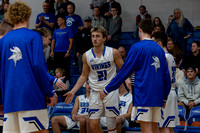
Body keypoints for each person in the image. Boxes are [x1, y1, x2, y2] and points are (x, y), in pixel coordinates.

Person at [100, 19, 171, 133]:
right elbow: (166, 76)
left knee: (146, 126)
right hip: (157, 95)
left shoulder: (137, 47)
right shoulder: (159, 49)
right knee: (154, 126)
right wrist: (164, 97)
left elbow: (124, 72)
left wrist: (108, 89)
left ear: (140, 30)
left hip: (144, 94)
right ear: (152, 31)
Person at [0, 1, 58, 132]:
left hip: (10, 99)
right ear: (27, 16)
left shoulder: (3, 41)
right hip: (31, 97)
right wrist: (49, 92)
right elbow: (38, 65)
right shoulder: (34, 36)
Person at [65, 26, 131, 133]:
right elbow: (83, 75)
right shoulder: (86, 55)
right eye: (93, 36)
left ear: (104, 38)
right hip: (95, 92)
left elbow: (123, 69)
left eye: (98, 36)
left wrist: (127, 80)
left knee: (111, 125)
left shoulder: (113, 52)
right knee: (93, 125)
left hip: (110, 91)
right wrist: (73, 91)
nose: (94, 39)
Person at [152, 31, 179, 133]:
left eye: (153, 42)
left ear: (159, 44)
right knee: (169, 126)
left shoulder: (162, 57)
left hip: (165, 94)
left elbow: (159, 78)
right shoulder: (170, 56)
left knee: (163, 127)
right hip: (171, 92)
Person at [50, 14, 73, 80]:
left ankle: (67, 82)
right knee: (57, 68)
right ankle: (57, 83)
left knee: (66, 68)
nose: (57, 22)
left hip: (65, 52)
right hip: (57, 52)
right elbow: (53, 41)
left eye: (59, 20)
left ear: (63, 21)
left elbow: (71, 41)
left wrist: (68, 51)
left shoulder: (69, 30)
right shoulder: (56, 31)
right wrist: (52, 51)